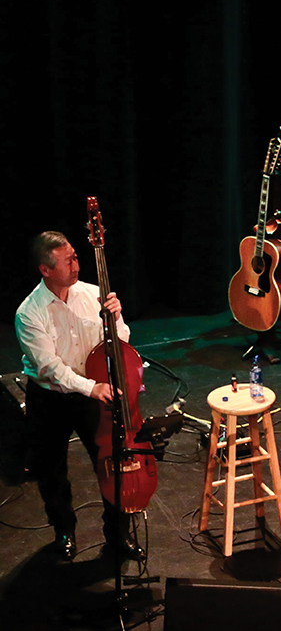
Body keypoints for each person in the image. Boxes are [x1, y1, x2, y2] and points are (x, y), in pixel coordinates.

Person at [15, 231, 144, 561]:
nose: (76, 263)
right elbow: (50, 368)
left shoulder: (93, 294)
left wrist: (116, 318)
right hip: (51, 399)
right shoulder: (29, 313)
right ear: (46, 269)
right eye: (68, 259)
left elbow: (120, 343)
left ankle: (117, 534)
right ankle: (64, 530)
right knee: (52, 470)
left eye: (75, 255)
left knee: (111, 464)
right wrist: (92, 388)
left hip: (92, 393)